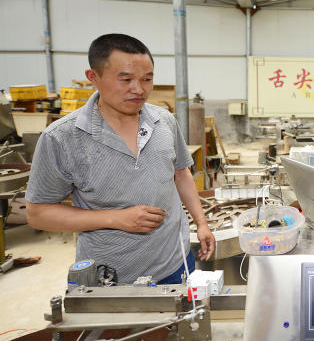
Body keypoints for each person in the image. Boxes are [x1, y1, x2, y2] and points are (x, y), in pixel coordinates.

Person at [26, 33, 215, 285]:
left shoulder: (164, 121)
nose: (138, 90)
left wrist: (201, 223)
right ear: (93, 77)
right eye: (125, 79)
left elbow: (180, 173)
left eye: (147, 79)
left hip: (176, 261)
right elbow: (38, 214)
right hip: (111, 276)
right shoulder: (61, 138)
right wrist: (116, 218)